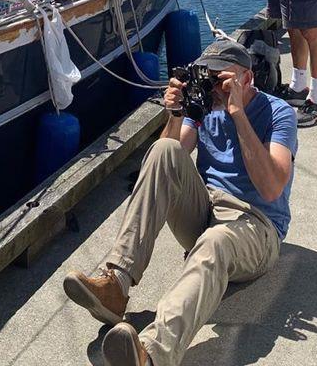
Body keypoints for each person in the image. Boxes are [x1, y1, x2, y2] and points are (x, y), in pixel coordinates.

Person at [63, 39, 297, 366]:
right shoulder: (203, 107)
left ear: (246, 79)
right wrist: (175, 113)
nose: (213, 89)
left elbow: (271, 188)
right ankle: (116, 284)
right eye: (207, 78)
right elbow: (168, 157)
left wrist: (238, 114)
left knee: (216, 241)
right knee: (161, 150)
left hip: (256, 226)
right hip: (206, 211)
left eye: (221, 81)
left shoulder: (278, 113)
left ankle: (151, 355)